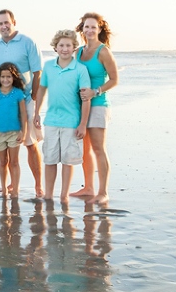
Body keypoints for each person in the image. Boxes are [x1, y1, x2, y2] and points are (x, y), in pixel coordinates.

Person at [0, 9, 44, 197]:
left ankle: (38, 185)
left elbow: (37, 72)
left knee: (30, 143)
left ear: (14, 22)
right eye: (0, 23)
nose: (4, 26)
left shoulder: (27, 42)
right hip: (4, 103)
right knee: (9, 143)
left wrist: (34, 98)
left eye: (7, 22)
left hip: (25, 99)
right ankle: (12, 182)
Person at [33, 29, 91, 203]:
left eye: (68, 46)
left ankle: (64, 195)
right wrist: (36, 113)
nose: (65, 49)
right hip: (51, 120)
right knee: (50, 159)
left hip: (71, 122)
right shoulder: (49, 66)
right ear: (55, 47)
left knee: (68, 160)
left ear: (74, 48)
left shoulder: (80, 69)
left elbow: (86, 99)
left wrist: (83, 124)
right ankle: (48, 195)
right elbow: (41, 89)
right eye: (61, 45)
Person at [73, 12, 119, 205]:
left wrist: (95, 91)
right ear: (82, 29)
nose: (90, 30)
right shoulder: (78, 52)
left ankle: (103, 192)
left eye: (93, 27)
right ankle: (88, 187)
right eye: (87, 27)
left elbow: (114, 79)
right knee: (84, 149)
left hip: (99, 105)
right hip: (81, 106)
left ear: (99, 29)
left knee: (98, 148)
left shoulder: (103, 51)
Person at [0, 62, 28, 198]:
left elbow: (23, 114)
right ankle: (4, 189)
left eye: (8, 77)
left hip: (14, 132)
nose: (5, 80)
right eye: (3, 77)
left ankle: (15, 189)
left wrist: (24, 132)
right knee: (3, 162)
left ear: (13, 77)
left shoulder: (18, 93)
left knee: (14, 162)